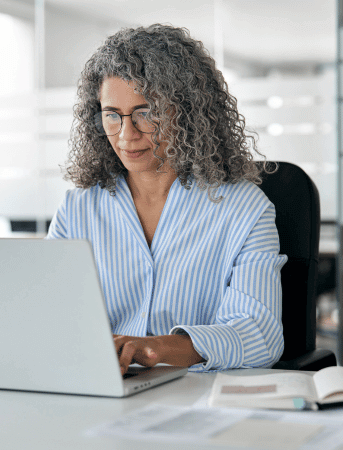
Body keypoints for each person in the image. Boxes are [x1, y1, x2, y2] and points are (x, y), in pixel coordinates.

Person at [46, 24, 287, 374]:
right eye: (112, 115)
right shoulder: (77, 210)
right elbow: (46, 315)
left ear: (187, 112)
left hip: (199, 401)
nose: (127, 135)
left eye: (146, 113)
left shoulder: (245, 210)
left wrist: (155, 348)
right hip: (101, 393)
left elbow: (259, 335)